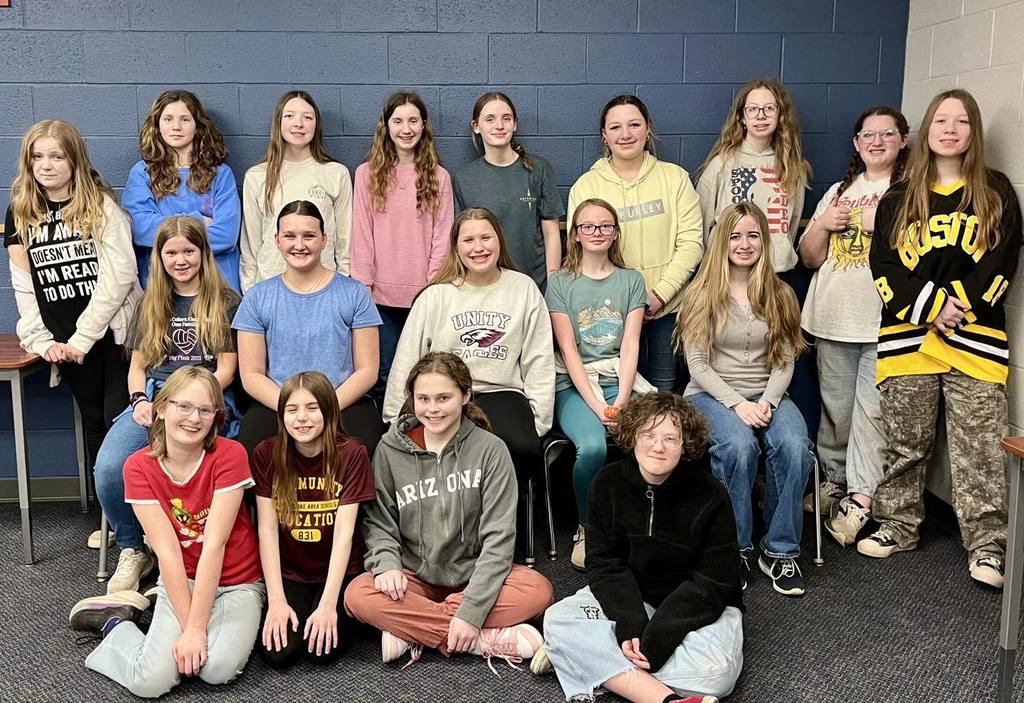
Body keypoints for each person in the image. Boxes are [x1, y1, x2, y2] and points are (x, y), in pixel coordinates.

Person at [860, 89, 1022, 590]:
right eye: (941, 121)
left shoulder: (995, 190)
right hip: (909, 336)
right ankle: (899, 524)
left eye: (962, 122)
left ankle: (988, 545)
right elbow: (883, 264)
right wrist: (930, 307)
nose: (950, 130)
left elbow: (1003, 259)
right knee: (907, 442)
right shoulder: (900, 195)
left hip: (975, 339)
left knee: (979, 449)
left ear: (974, 132)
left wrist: (959, 307)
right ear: (926, 131)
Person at [344, 352, 553, 670]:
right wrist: (386, 565)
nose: (432, 408)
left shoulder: (490, 450)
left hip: (476, 575)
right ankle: (482, 641)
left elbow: (499, 537)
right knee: (357, 595)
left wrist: (470, 609)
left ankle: (414, 630)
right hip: (412, 577)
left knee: (538, 590)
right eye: (423, 398)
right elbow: (379, 521)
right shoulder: (389, 451)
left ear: (466, 395)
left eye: (444, 397)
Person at [69, 366, 265, 699]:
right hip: (182, 579)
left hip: (237, 583)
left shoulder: (230, 456)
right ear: (160, 408)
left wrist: (195, 630)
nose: (194, 418)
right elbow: (169, 552)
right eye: (183, 406)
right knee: (150, 682)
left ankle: (173, 622)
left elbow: (214, 546)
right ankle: (115, 625)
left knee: (216, 670)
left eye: (205, 410)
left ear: (216, 417)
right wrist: (191, 629)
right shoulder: (139, 467)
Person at [537, 392, 743, 703]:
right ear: (632, 436)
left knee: (717, 675)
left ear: (685, 444)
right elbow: (604, 564)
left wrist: (659, 637)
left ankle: (582, 660)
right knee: (556, 619)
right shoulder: (606, 483)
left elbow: (715, 582)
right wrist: (631, 625)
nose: (658, 446)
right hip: (632, 596)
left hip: (697, 605)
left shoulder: (710, 494)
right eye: (648, 434)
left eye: (671, 438)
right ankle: (666, 698)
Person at [88, 215, 240, 595]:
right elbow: (137, 367)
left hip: (207, 396)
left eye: (189, 250)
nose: (181, 259)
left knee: (195, 468)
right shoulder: (150, 303)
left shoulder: (226, 301)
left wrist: (191, 402)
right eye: (171, 252)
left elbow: (227, 369)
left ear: (203, 253)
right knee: (109, 467)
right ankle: (132, 548)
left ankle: (186, 549)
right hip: (155, 397)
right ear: (160, 256)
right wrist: (141, 400)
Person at [676, 202, 814, 597]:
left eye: (753, 235)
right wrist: (738, 404)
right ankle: (733, 549)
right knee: (737, 447)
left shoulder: (781, 293)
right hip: (712, 395)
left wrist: (767, 402)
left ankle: (780, 549)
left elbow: (786, 361)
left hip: (767, 394)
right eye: (735, 235)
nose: (744, 243)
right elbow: (698, 365)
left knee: (794, 447)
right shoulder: (702, 294)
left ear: (764, 241)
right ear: (722, 242)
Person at [4, 119, 141, 493]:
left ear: (75, 159)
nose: (46, 165)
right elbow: (24, 285)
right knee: (93, 420)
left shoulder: (101, 206)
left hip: (112, 335)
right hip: (66, 344)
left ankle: (137, 522)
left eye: (56, 156)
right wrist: (41, 340)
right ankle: (109, 519)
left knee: (120, 421)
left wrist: (84, 337)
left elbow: (120, 275)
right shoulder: (20, 212)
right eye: (37, 157)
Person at [797, 107, 910, 546]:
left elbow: (920, 253)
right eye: (868, 134)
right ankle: (836, 481)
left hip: (882, 322)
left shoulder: (910, 192)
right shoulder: (840, 190)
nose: (876, 142)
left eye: (887, 134)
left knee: (872, 414)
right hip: (831, 316)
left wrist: (878, 223)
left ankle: (861, 499)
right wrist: (824, 224)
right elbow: (809, 257)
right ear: (857, 142)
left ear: (902, 140)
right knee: (836, 412)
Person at [382, 207, 555, 489]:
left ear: (499, 240)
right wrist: (394, 418)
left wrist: (538, 422)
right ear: (456, 247)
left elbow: (540, 361)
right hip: (443, 397)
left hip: (503, 395)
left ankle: (510, 528)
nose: (478, 248)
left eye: (486, 238)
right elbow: (406, 360)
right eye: (468, 240)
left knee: (521, 449)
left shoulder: (523, 289)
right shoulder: (436, 295)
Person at [567, 95, 703, 392]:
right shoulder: (587, 186)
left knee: (662, 393)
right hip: (608, 315)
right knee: (616, 396)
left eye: (634, 124)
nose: (625, 134)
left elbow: (692, 243)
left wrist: (659, 294)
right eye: (615, 127)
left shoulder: (675, 179)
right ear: (604, 135)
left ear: (647, 129)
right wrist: (622, 304)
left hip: (665, 310)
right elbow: (579, 251)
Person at [233, 200, 384, 457]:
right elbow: (252, 375)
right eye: (290, 236)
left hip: (341, 401)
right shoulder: (258, 297)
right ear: (277, 240)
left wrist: (322, 408)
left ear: (324, 240)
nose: (299, 245)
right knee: (250, 448)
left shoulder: (354, 293)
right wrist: (294, 409)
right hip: (278, 401)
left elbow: (367, 370)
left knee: (370, 445)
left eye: (309, 236)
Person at [547, 197, 651, 570]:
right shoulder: (559, 283)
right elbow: (569, 350)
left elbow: (631, 343)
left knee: (657, 438)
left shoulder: (631, 280)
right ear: (575, 235)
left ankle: (641, 526)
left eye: (605, 225)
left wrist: (621, 400)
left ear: (615, 233)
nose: (596, 232)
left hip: (619, 381)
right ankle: (587, 528)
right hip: (575, 386)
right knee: (592, 447)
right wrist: (597, 406)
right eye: (587, 226)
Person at [253, 371, 375, 668]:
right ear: (282, 416)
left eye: (312, 408)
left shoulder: (352, 453)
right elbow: (266, 530)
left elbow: (345, 535)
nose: (302, 418)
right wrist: (277, 601)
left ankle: (348, 614)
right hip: (291, 571)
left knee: (321, 652)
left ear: (329, 411)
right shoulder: (267, 453)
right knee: (278, 654)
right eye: (292, 410)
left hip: (340, 571)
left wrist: (328, 605)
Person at [350, 91, 453, 397]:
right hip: (379, 298)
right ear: (387, 125)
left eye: (413, 121)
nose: (406, 129)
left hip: (423, 296)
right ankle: (385, 438)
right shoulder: (366, 174)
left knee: (422, 373)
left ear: (424, 126)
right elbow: (362, 236)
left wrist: (432, 289)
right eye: (398, 121)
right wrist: (363, 289)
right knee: (382, 373)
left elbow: (442, 236)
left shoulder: (439, 177)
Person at [123, 90, 242, 291]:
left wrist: (166, 229)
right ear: (157, 125)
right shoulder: (142, 173)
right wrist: (198, 221)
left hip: (217, 284)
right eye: (168, 119)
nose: (176, 127)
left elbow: (226, 234)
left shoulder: (221, 174)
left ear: (197, 126)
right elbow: (141, 229)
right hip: (164, 287)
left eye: (185, 119)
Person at [240, 90, 352, 291]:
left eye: (307, 117)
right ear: (278, 123)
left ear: (316, 125)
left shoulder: (336, 173)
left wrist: (342, 285)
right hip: (270, 285)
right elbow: (251, 244)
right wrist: (250, 291)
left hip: (323, 287)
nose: (298, 123)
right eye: (289, 116)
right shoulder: (257, 176)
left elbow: (346, 240)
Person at [696, 78, 810, 274]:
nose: (761, 116)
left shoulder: (792, 167)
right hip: (727, 274)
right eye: (753, 109)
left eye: (769, 109)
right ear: (742, 117)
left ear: (780, 114)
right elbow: (701, 223)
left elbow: (790, 226)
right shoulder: (722, 164)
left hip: (774, 274)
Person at [453, 91, 564, 290]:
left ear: (515, 124)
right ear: (476, 126)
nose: (499, 126)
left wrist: (554, 286)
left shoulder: (539, 169)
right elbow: (461, 241)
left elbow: (551, 233)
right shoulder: (464, 179)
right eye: (490, 119)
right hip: (486, 288)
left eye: (506, 118)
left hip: (535, 285)